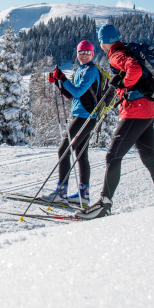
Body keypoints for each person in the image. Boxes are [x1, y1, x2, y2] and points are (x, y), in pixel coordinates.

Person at [77, 23, 154, 220]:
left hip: (136, 112)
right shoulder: (126, 49)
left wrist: (123, 83)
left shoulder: (116, 55)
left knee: (112, 156)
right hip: (148, 110)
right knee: (149, 158)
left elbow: (134, 69)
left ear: (102, 42)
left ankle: (104, 204)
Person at [40, 40, 105, 206]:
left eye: (87, 52)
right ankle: (83, 195)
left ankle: (61, 193)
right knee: (81, 154)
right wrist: (57, 82)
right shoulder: (80, 70)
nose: (83, 55)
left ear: (93, 54)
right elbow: (72, 95)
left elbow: (77, 91)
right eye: (81, 52)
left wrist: (62, 77)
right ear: (77, 54)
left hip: (86, 117)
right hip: (84, 116)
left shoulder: (90, 70)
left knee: (64, 150)